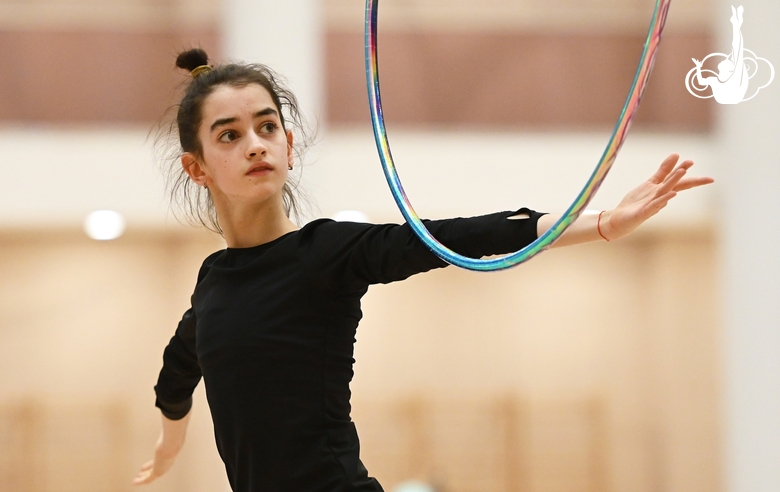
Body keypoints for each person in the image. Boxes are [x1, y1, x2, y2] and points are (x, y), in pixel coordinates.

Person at [133, 48, 713, 491]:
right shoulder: (214, 282)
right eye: (229, 136)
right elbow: (180, 364)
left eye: (266, 127)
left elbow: (456, 236)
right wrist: (168, 441)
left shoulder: (328, 254)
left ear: (289, 142)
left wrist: (605, 222)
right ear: (197, 167)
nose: (255, 145)